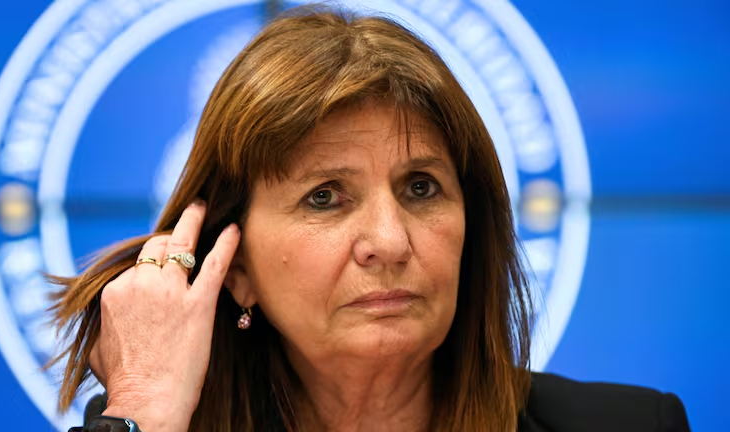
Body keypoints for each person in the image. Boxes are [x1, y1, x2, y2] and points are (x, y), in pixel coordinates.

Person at [51, 5, 691, 432]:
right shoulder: (145, 422)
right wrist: (143, 410)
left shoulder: (633, 426)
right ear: (234, 265)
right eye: (324, 197)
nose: (388, 241)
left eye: (421, 187)